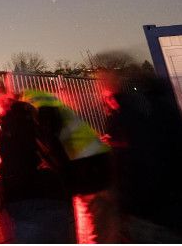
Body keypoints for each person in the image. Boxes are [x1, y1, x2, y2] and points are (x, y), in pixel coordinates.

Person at [102, 72, 182, 243]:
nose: (104, 99)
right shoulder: (164, 108)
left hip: (162, 220)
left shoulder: (134, 114)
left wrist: (126, 205)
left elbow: (145, 163)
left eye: (104, 91)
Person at [19, 89, 117, 244]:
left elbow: (52, 144)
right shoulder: (49, 104)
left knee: (97, 233)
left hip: (89, 175)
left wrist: (64, 178)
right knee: (97, 229)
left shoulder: (39, 108)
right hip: (96, 170)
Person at [0, 95, 75, 243]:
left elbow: (12, 161)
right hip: (57, 197)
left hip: (29, 202)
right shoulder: (47, 125)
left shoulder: (13, 126)